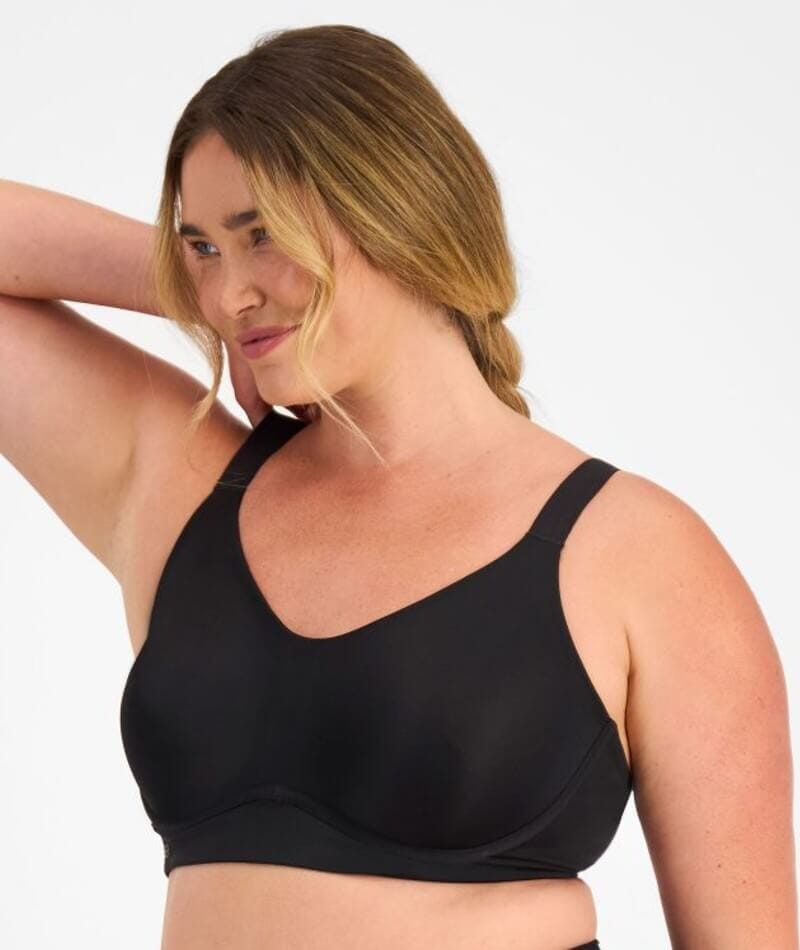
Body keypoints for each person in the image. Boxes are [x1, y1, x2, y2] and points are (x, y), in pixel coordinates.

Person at [0, 23, 795, 950]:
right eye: (203, 249)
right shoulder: (182, 485)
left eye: (263, 235)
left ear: (396, 209)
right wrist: (198, 295)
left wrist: (239, 292)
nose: (228, 294)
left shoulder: (639, 554)